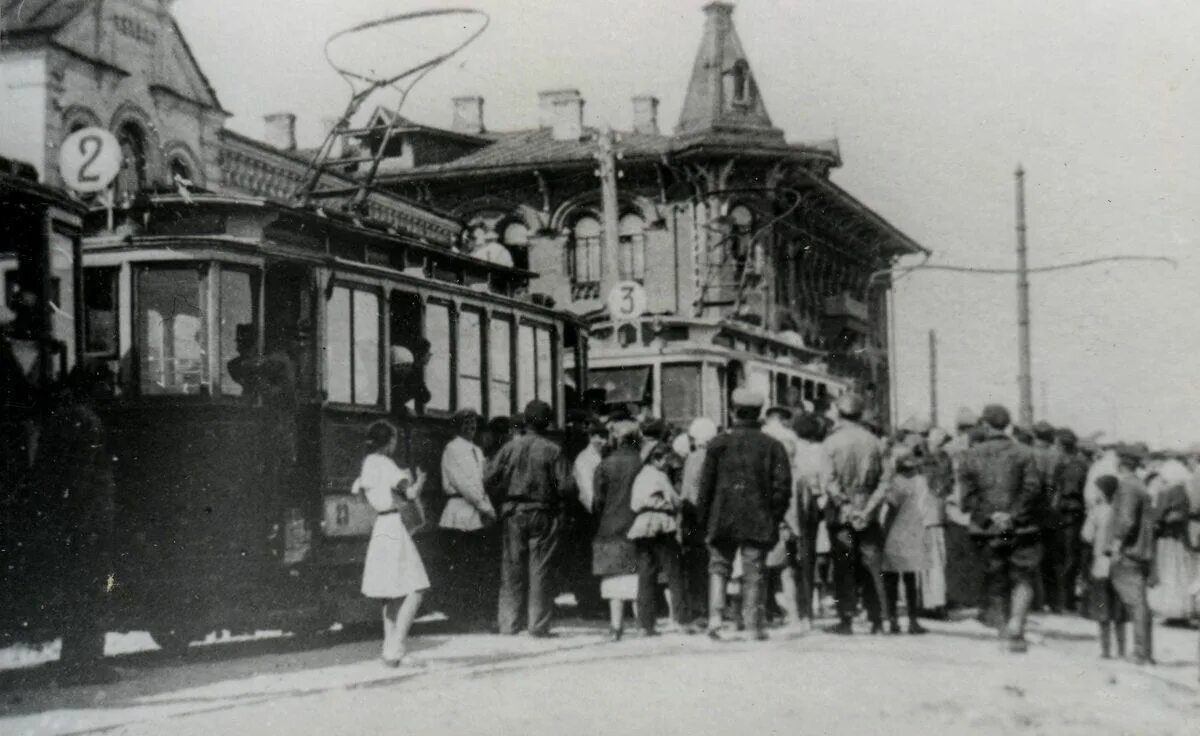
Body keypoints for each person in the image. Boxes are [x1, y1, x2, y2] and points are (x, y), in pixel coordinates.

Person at [35, 363, 117, 682]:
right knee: (92, 590)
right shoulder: (86, 420)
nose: (110, 390)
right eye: (106, 383)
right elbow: (83, 477)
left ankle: (74, 660)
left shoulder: (61, 417)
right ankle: (86, 664)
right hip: (87, 522)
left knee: (75, 591)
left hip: (67, 521)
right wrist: (89, 520)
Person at [697, 389, 792, 641]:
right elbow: (782, 488)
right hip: (758, 518)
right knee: (755, 571)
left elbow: (705, 487)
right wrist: (774, 516)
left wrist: (703, 520)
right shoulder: (773, 446)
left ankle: (716, 619)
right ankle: (753, 625)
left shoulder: (718, 444)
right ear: (759, 414)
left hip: (722, 517)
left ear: (732, 411)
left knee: (718, 566)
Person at [958, 404, 1044, 653]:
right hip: (1022, 527)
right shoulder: (1025, 453)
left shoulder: (970, 455)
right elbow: (1033, 489)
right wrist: (1013, 516)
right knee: (1023, 577)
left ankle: (1004, 630)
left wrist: (992, 516)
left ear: (985, 424)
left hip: (987, 528)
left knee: (996, 579)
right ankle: (1018, 624)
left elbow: (967, 497)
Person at [486, 399, 572, 637]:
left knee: (511, 569)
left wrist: (505, 492)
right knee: (540, 569)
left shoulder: (509, 448)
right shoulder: (552, 450)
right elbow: (567, 487)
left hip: (512, 513)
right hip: (543, 513)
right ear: (547, 422)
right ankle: (538, 626)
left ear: (525, 420)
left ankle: (509, 624)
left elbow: (489, 478)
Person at [354, 420, 429, 667]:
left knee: (389, 593)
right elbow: (409, 494)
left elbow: (360, 490)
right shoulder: (386, 464)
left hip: (380, 528)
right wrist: (420, 481)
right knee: (417, 587)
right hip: (394, 526)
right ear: (389, 442)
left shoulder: (367, 464)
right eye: (394, 439)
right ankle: (398, 646)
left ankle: (389, 650)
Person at [819, 392, 887, 635]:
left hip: (840, 516)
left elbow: (828, 480)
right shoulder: (876, 442)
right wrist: (868, 509)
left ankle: (845, 617)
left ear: (840, 413)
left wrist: (846, 506)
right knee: (871, 563)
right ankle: (877, 618)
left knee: (843, 564)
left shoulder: (831, 443)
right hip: (869, 512)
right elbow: (884, 482)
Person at [438, 409, 497, 630]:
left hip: (477, 513)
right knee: (464, 570)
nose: (471, 427)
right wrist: (486, 508)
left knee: (478, 569)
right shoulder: (453, 449)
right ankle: (463, 618)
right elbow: (464, 484)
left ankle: (476, 616)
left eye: (473, 423)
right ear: (457, 426)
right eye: (466, 423)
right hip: (461, 512)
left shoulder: (476, 450)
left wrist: (486, 507)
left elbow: (482, 482)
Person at [628, 442, 689, 636]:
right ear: (655, 459)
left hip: (641, 524)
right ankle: (681, 618)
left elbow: (634, 504)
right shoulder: (660, 476)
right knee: (674, 571)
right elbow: (675, 500)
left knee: (646, 574)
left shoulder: (639, 477)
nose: (666, 463)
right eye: (663, 459)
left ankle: (645, 623)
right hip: (662, 523)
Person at [591, 421, 642, 640]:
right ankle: (643, 624)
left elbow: (597, 502)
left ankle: (616, 626)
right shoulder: (642, 462)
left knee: (613, 579)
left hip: (610, 527)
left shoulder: (604, 465)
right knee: (639, 577)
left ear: (617, 439)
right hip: (637, 525)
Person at [1107, 448, 1156, 665]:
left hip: (1129, 552)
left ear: (1121, 464)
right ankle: (1144, 651)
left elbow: (1126, 520)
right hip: (1141, 551)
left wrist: (1115, 546)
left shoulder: (1126, 486)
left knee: (1136, 604)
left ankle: (1140, 652)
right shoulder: (1140, 485)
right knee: (1140, 603)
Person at [882, 443, 931, 635]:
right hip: (914, 530)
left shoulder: (895, 482)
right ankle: (913, 620)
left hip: (894, 530)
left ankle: (892, 619)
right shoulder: (921, 481)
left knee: (891, 577)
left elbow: (891, 506)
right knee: (911, 578)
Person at [762, 406, 804, 626]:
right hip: (784, 523)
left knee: (766, 568)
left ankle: (769, 612)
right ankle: (794, 613)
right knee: (787, 569)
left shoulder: (766, 468)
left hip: (767, 521)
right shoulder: (793, 471)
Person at [1146, 454, 1197, 622]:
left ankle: (1169, 610)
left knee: (1167, 573)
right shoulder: (1183, 491)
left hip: (1166, 539)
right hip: (1180, 539)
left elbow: (1157, 515)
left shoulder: (1166, 492)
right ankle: (1183, 610)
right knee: (1181, 574)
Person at [1081, 475, 1127, 659]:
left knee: (1102, 605)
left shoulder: (1098, 511)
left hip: (1101, 561)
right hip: (1119, 561)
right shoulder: (1122, 511)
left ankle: (1106, 650)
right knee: (1119, 608)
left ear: (1102, 491)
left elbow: (1086, 535)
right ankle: (1122, 650)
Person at [679, 417, 718, 626]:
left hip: (694, 518)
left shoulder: (693, 458)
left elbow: (687, 492)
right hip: (711, 517)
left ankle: (699, 609)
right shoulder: (715, 456)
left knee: (696, 566)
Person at [792, 413, 826, 630]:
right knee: (811, 557)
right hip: (815, 504)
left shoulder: (794, 449)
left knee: (795, 559)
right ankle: (810, 611)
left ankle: (800, 610)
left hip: (794, 505)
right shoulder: (821, 450)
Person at [1051, 428, 1090, 613]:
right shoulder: (1081, 463)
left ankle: (1063, 600)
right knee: (1069, 556)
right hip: (1073, 512)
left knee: (1065, 556)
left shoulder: (1066, 464)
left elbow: (1059, 489)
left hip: (1066, 513)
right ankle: (1066, 600)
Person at [920, 427, 953, 616]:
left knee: (930, 562)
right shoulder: (944, 460)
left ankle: (930, 603)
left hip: (926, 515)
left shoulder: (926, 462)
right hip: (938, 514)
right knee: (939, 560)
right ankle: (938, 602)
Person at [574, 422, 608, 513]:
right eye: (599, 437)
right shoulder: (584, 459)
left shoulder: (604, 454)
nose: (604, 442)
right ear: (591, 437)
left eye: (605, 437)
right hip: (590, 509)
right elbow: (587, 490)